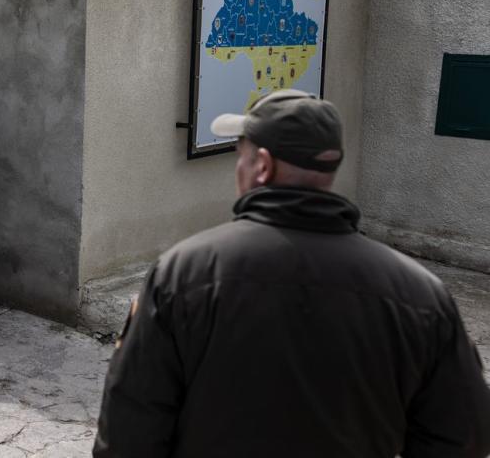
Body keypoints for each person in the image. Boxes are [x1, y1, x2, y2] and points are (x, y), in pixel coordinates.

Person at [93, 90, 490, 458]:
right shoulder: (420, 296)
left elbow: (129, 436)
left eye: (241, 156)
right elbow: (463, 438)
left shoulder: (183, 274)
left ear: (262, 166)